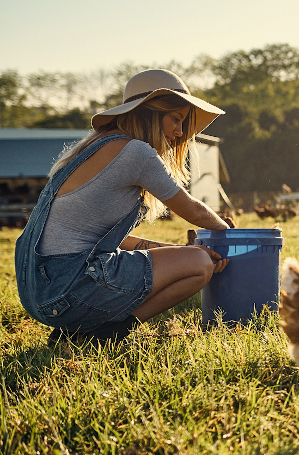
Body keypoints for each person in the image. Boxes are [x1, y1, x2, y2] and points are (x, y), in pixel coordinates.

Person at [15, 69, 232, 344]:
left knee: (193, 258)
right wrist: (226, 231)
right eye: (176, 119)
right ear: (150, 113)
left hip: (39, 292)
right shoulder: (135, 151)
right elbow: (193, 210)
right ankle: (111, 331)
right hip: (70, 287)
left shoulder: (92, 149)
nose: (180, 132)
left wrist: (179, 252)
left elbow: (108, 239)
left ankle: (79, 329)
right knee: (200, 264)